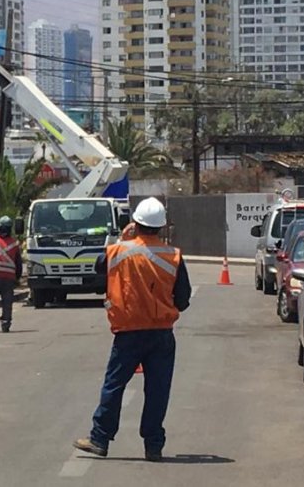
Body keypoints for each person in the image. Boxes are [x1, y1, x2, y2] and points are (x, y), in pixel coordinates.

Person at [73, 197, 192, 462]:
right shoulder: (173, 256)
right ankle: (153, 446)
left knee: (114, 385)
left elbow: (97, 269)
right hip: (161, 334)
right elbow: (183, 299)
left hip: (128, 333)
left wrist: (122, 239)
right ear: (161, 227)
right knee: (158, 390)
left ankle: (100, 439)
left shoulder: (118, 251)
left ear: (134, 224)